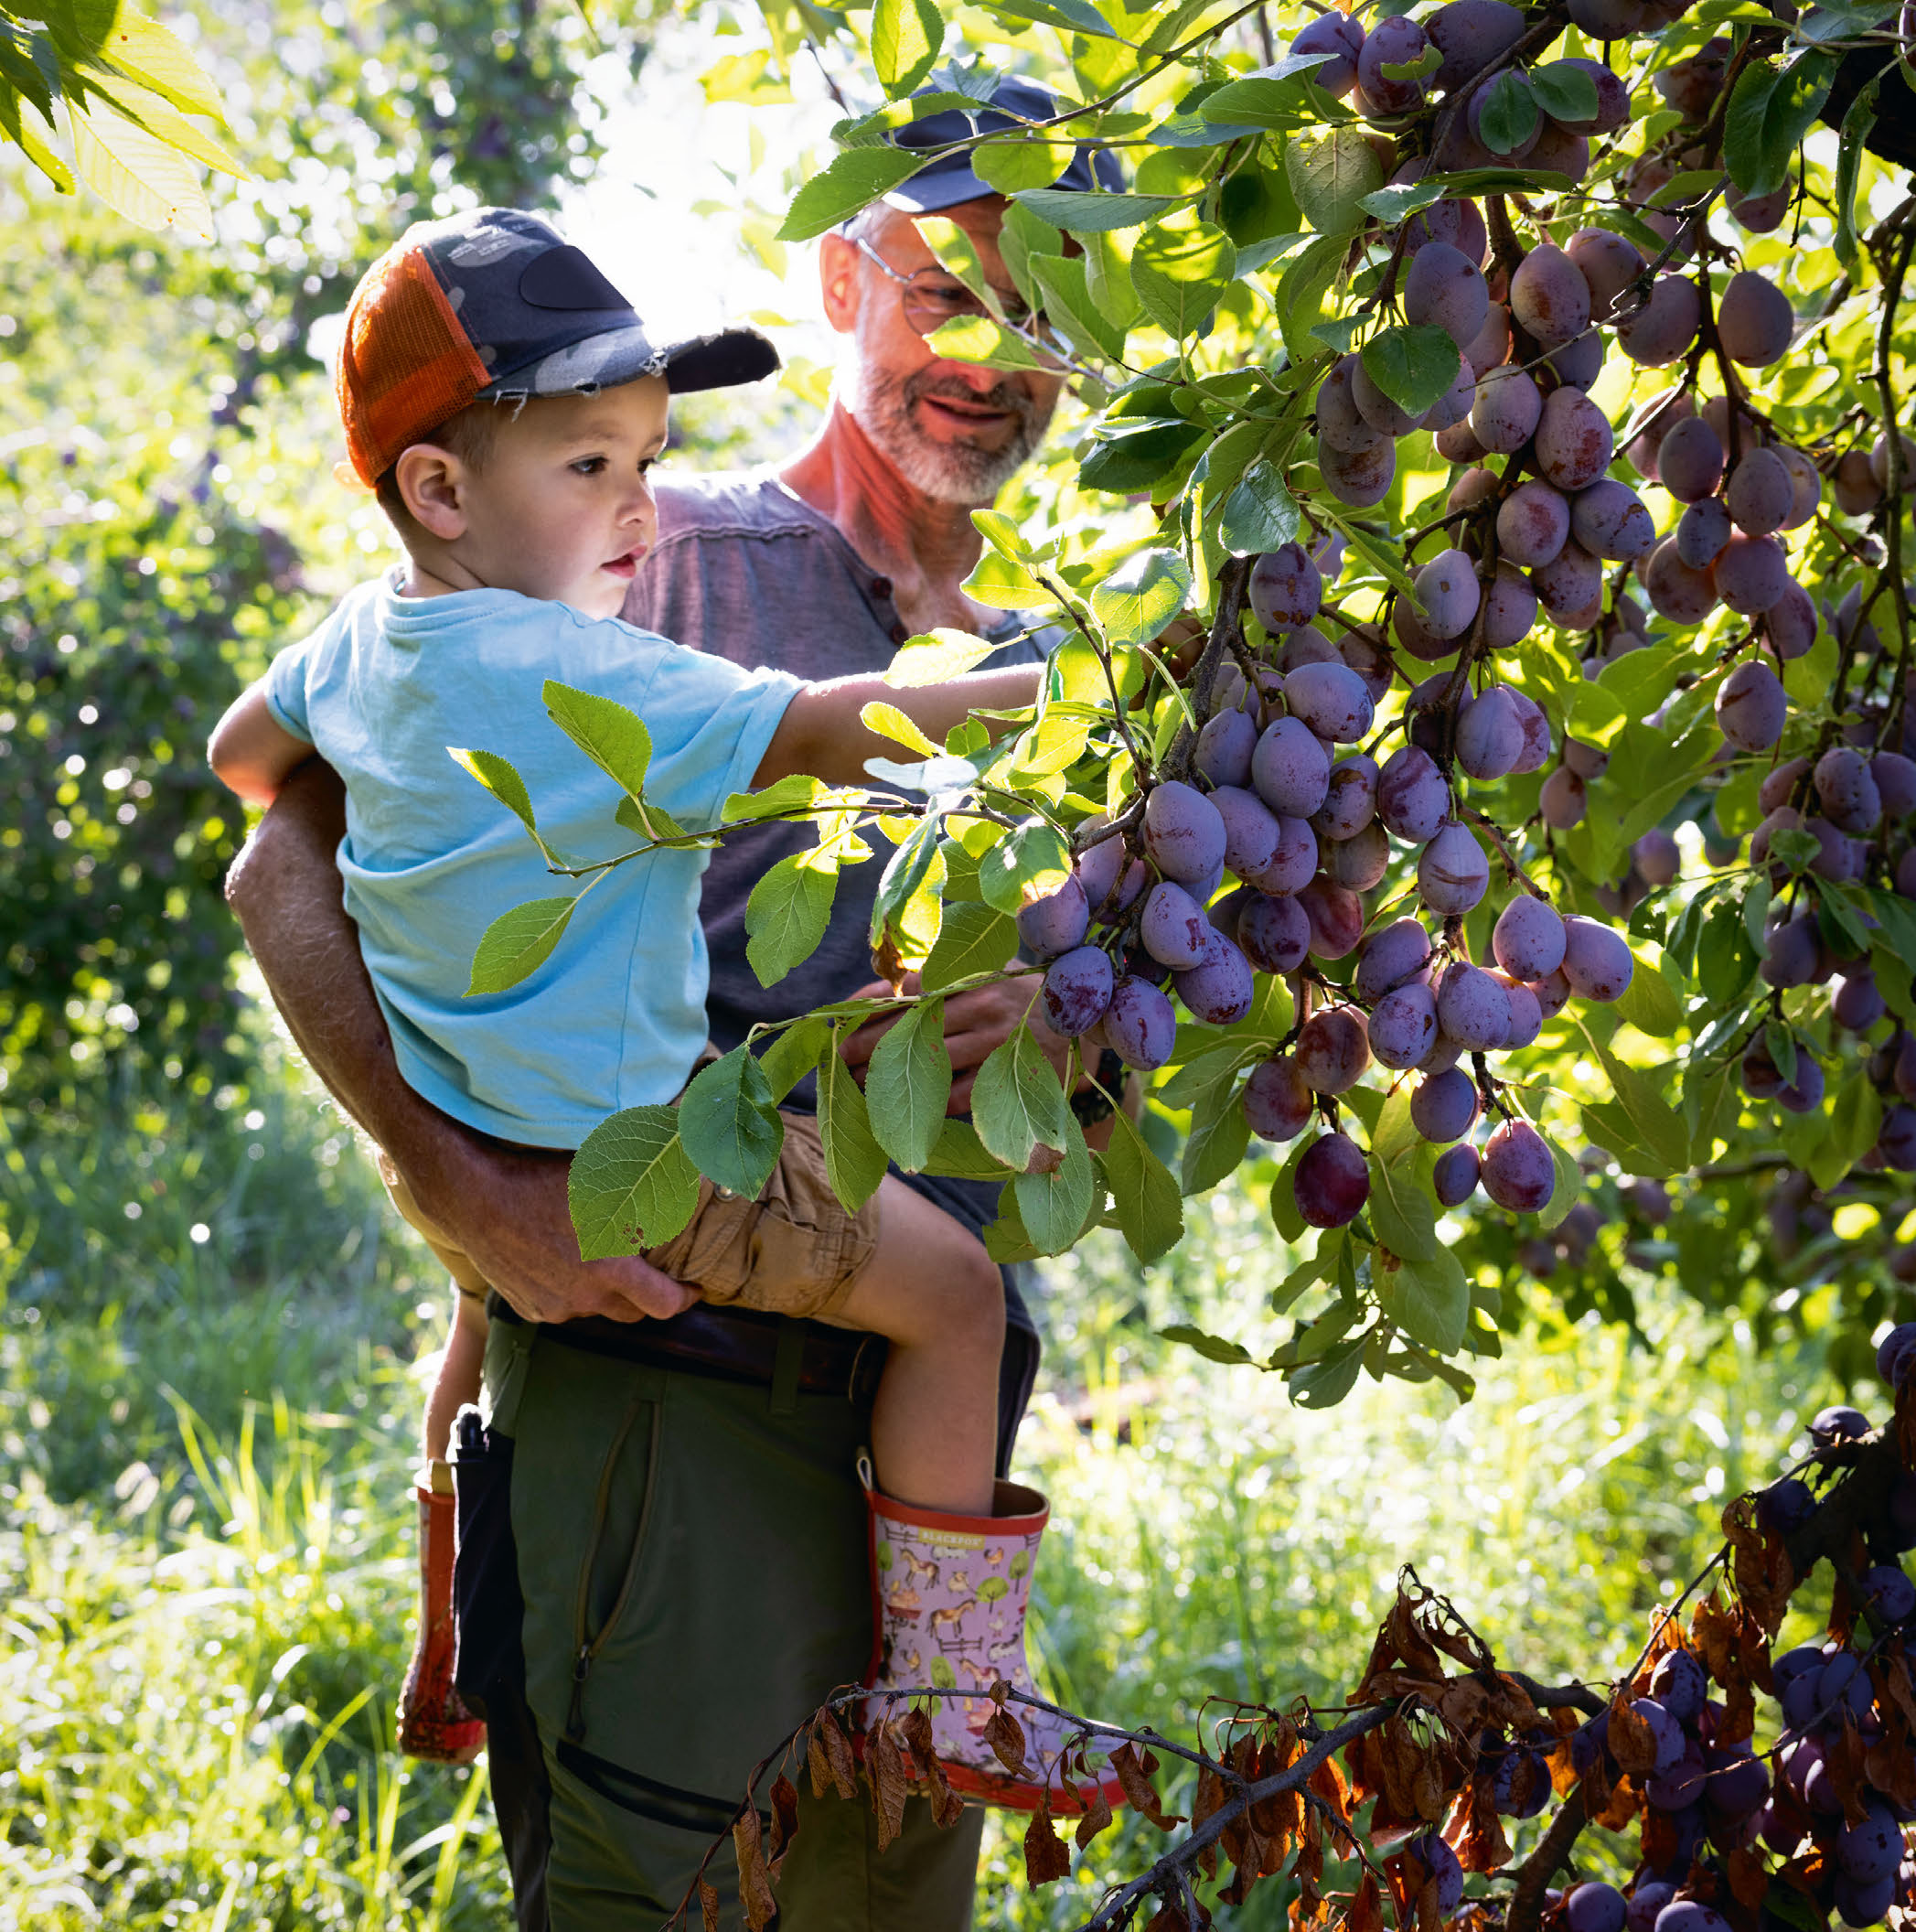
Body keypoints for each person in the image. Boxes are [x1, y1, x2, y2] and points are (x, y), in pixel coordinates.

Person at [220, 78, 1126, 1932]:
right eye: (950, 289)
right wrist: (447, 1176)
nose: (994, 352)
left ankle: (956, 1696)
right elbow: (281, 863)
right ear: (840, 279)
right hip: (679, 1434)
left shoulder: (1040, 640)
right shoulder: (648, 574)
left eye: (1045, 310)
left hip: (905, 1466)